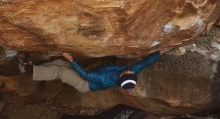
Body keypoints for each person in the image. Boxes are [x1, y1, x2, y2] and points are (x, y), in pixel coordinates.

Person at [18, 51, 161, 93]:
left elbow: (85, 75)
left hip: (85, 84)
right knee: (60, 62)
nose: (129, 69)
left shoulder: (105, 79)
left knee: (61, 71)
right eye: (131, 71)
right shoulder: (131, 72)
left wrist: (72, 60)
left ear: (123, 76)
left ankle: (28, 70)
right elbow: (145, 63)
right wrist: (161, 52)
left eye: (128, 72)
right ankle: (31, 67)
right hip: (88, 75)